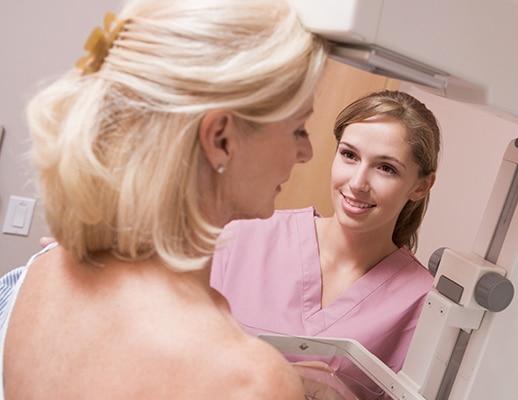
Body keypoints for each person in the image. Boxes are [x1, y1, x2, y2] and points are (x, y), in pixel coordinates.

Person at [0, 0, 328, 398]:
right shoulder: (246, 379)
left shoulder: (41, 272)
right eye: (298, 129)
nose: (306, 152)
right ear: (221, 139)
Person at [211, 90, 441, 399]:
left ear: (421, 185)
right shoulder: (244, 235)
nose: (358, 183)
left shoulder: (422, 302)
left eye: (386, 168)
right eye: (349, 155)